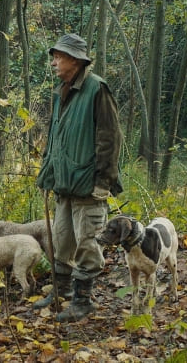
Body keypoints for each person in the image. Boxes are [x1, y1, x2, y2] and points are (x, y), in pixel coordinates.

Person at [34, 33, 123, 322]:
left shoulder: (97, 89)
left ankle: (83, 302)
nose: (54, 63)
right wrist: (48, 176)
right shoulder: (63, 90)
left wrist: (103, 182)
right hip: (65, 185)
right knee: (62, 242)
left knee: (87, 244)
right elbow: (55, 140)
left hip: (88, 186)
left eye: (58, 57)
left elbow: (110, 139)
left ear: (74, 59)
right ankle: (62, 292)